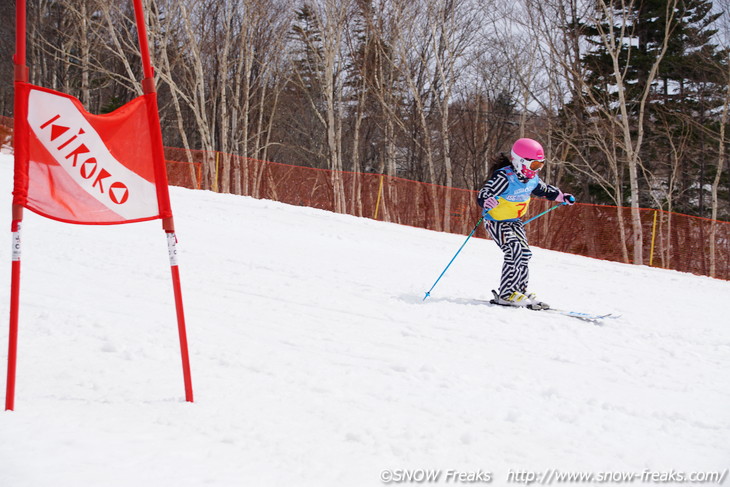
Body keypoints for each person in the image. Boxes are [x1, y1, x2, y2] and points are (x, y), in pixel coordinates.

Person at [476, 138, 575, 309]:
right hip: (496, 222)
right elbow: (485, 192)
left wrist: (561, 196)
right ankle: (506, 294)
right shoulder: (505, 177)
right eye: (534, 165)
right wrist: (486, 200)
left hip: (514, 222)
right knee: (513, 249)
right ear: (519, 161)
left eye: (540, 165)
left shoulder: (532, 180)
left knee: (524, 253)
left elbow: (545, 190)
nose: (536, 170)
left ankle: (519, 289)